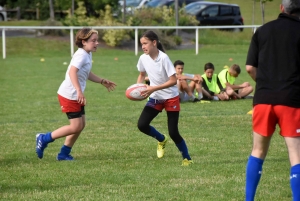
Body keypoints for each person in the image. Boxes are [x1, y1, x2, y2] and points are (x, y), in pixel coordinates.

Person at [245, 1, 300, 200]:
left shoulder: (262, 31)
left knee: (257, 151)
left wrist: (267, 83)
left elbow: (250, 68)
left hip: (263, 100)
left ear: (281, 8)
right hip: (291, 100)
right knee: (296, 155)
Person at [35, 28, 116, 161]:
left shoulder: (87, 54)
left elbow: (86, 73)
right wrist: (79, 90)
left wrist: (101, 81)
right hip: (69, 95)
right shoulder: (81, 55)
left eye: (97, 40)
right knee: (75, 126)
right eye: (94, 41)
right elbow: (72, 72)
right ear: (84, 41)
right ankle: (43, 138)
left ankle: (63, 154)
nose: (97, 43)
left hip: (75, 94)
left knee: (80, 125)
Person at [136, 30, 193, 166]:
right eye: (141, 44)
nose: (143, 46)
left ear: (154, 43)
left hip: (171, 97)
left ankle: (187, 158)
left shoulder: (163, 58)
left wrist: (152, 88)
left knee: (173, 132)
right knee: (142, 125)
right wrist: (138, 89)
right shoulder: (143, 58)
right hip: (155, 97)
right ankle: (161, 139)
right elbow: (142, 75)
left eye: (145, 43)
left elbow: (173, 81)